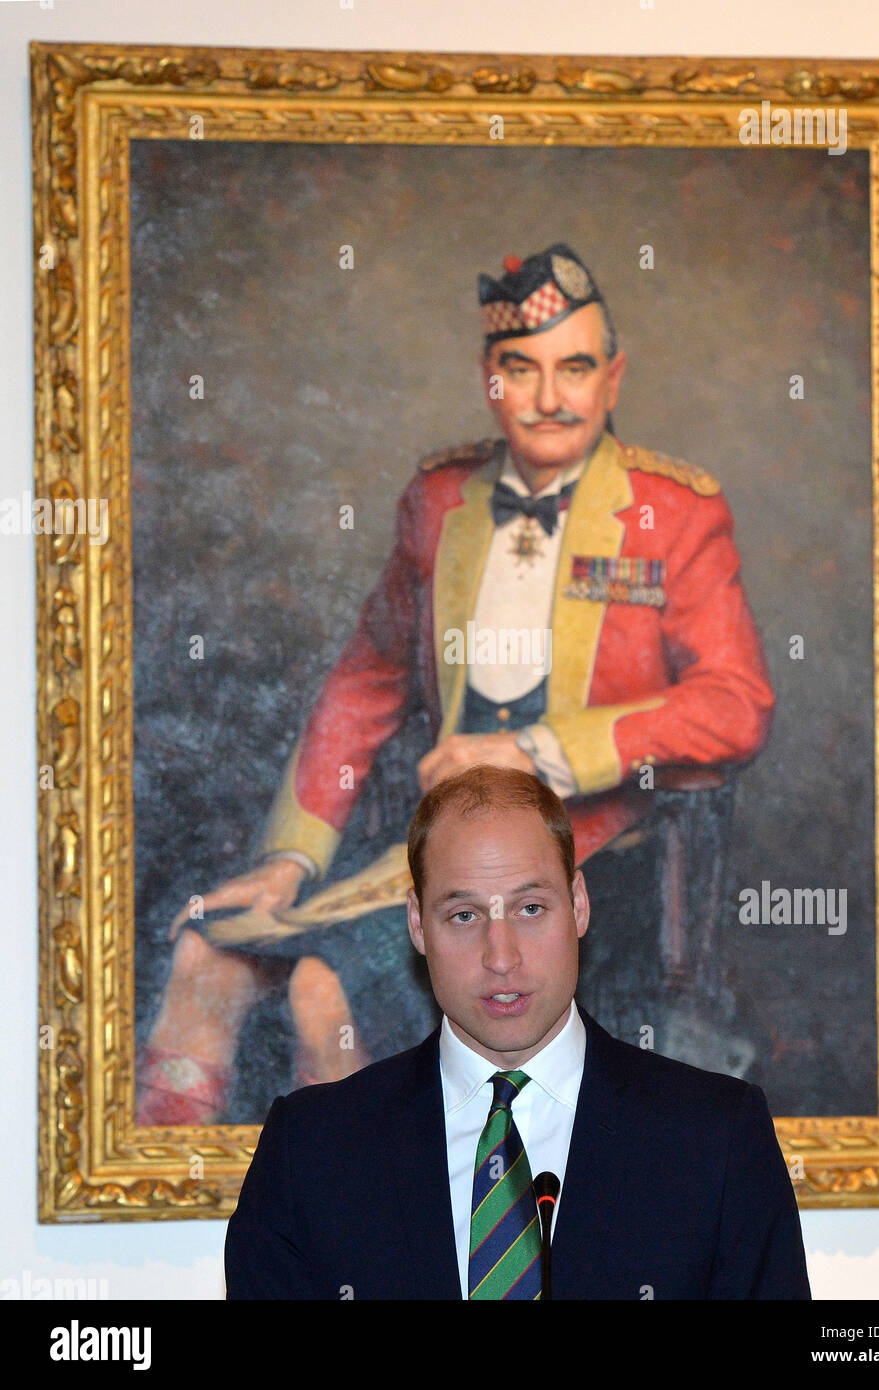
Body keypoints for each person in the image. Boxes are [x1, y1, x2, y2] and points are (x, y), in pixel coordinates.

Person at [138, 244, 775, 1124]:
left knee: (323, 991)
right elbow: (365, 680)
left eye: (576, 368)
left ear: (613, 378)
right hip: (436, 858)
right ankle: (182, 1223)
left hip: (590, 867)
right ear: (490, 381)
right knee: (202, 964)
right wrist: (290, 858)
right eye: (523, 369)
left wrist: (538, 752)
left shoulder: (677, 512)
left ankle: (365, 1249)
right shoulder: (440, 501)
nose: (551, 398)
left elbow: (734, 705)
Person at [224, 766, 810, 1300]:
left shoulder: (717, 1137)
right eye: (464, 915)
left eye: (530, 909)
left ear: (578, 905)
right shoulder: (310, 1150)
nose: (500, 956)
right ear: (416, 924)